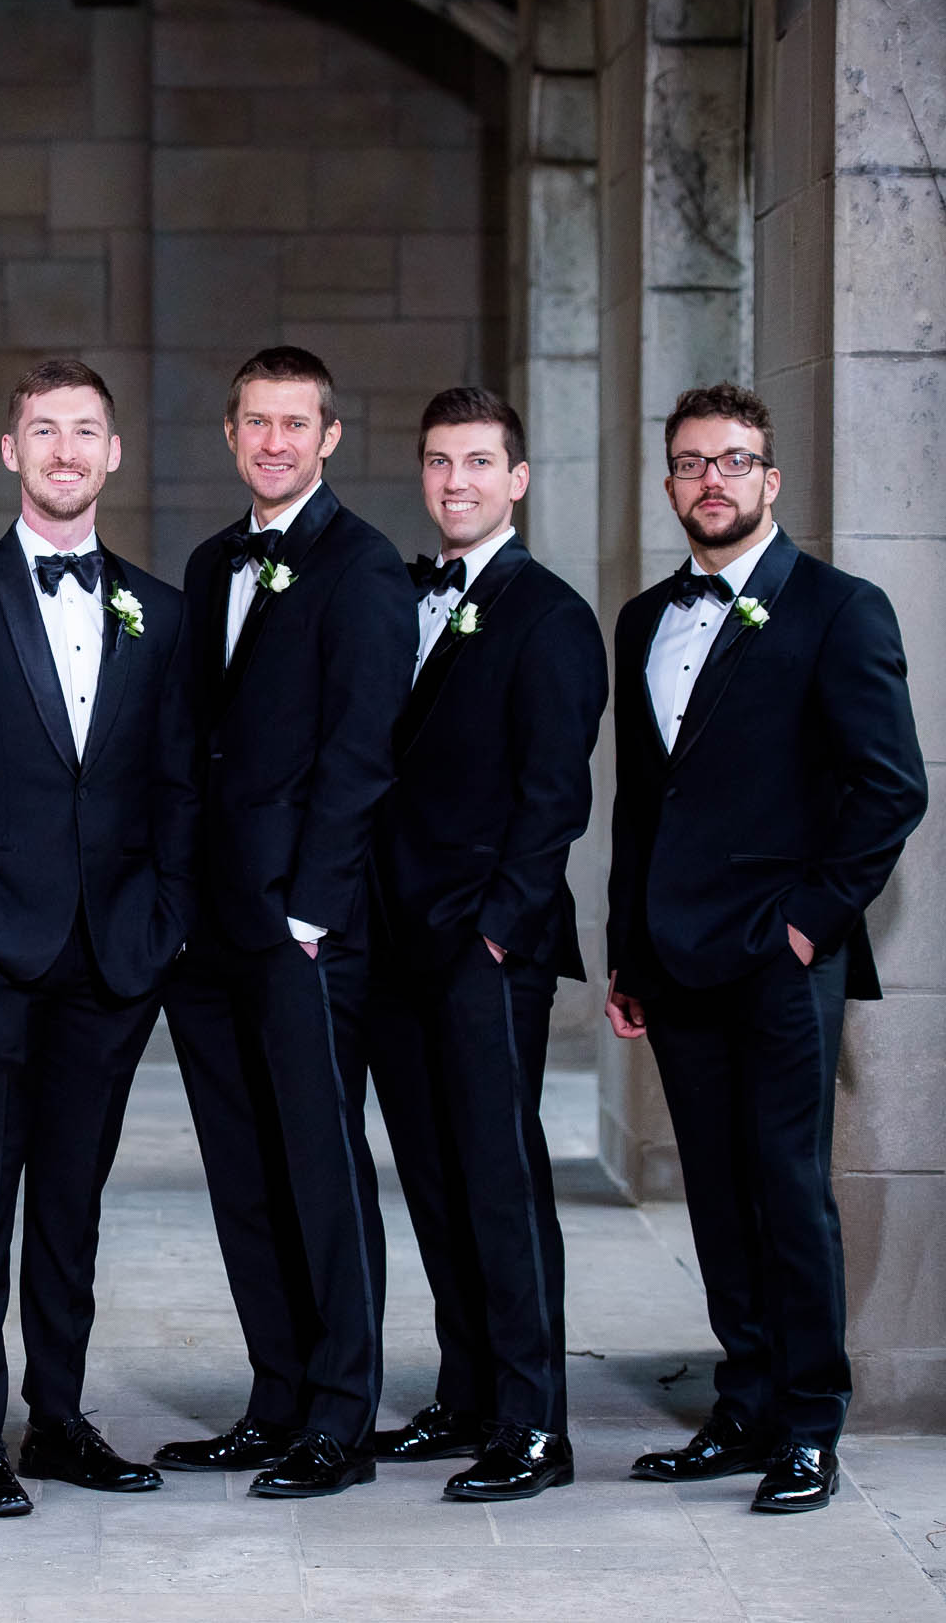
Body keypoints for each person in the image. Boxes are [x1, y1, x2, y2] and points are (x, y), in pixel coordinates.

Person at [605, 382, 927, 1514]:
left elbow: (890, 791)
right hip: (675, 955)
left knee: (788, 1191)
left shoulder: (840, 609)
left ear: (770, 480)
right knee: (715, 1193)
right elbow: (641, 802)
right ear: (669, 483)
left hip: (781, 958)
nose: (711, 480)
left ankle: (808, 1427)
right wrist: (624, 950)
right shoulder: (642, 618)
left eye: (733, 461)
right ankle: (741, 1406)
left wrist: (804, 926)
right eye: (691, 462)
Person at [0, 360, 195, 1517]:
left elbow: (177, 790)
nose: (65, 451)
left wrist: (163, 928)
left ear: (113, 454)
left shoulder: (160, 615)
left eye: (86, 433)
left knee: (73, 1203)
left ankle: (58, 1420)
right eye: (43, 431)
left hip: (113, 960)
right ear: (9, 451)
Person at [154, 346, 415, 1499]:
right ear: (230, 434)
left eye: (294, 423)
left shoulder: (363, 570)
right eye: (255, 422)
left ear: (329, 437)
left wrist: (312, 905)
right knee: (242, 1169)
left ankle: (339, 1415)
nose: (274, 442)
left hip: (303, 925)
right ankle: (274, 1394)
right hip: (208, 927)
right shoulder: (211, 564)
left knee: (319, 1167)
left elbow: (362, 757)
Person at [365, 388, 607, 1503]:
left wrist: (500, 936)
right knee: (433, 1180)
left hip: (483, 949)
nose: (454, 480)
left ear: (516, 479)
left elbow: (555, 797)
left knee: (502, 1186)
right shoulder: (408, 599)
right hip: (396, 946)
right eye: (437, 461)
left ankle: (532, 1424)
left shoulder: (548, 615)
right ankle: (465, 1392)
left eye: (477, 462)